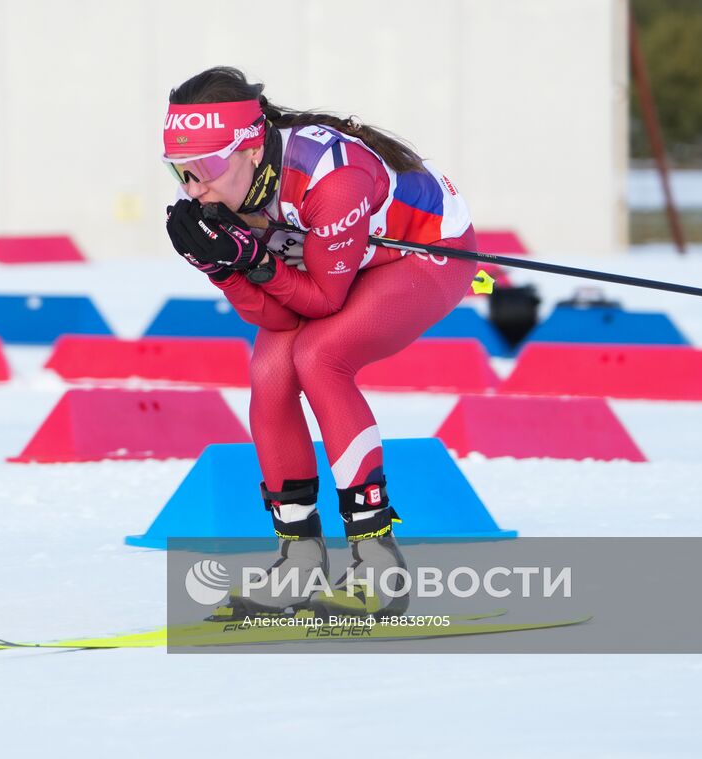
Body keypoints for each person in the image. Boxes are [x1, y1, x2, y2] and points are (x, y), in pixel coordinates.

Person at [162, 67, 478, 616]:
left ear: (252, 148)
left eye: (206, 168)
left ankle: (376, 560)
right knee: (270, 372)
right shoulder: (230, 187)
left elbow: (321, 303)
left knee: (320, 357)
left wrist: (253, 261)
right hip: (341, 264)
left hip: (425, 251)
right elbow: (278, 317)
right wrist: (225, 268)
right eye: (180, 172)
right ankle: (299, 559)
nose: (195, 190)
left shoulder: (334, 179)